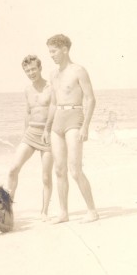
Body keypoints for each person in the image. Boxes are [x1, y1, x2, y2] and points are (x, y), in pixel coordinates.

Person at [43, 34, 99, 224]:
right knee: (59, 170)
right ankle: (63, 212)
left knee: (75, 170)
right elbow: (52, 103)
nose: (51, 55)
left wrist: (85, 126)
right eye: (49, 51)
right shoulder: (53, 74)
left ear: (64, 49)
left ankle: (92, 211)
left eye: (54, 51)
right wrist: (46, 128)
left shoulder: (79, 70)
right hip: (57, 120)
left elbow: (90, 99)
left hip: (75, 118)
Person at [5, 55, 53, 221]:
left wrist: (50, 131)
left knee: (46, 177)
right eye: (27, 71)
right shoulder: (27, 89)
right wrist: (24, 133)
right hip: (31, 133)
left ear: (40, 68)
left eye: (33, 69)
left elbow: (55, 112)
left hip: (48, 135)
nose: (31, 73)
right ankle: (8, 209)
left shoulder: (51, 87)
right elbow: (28, 112)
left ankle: (44, 212)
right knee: (13, 169)